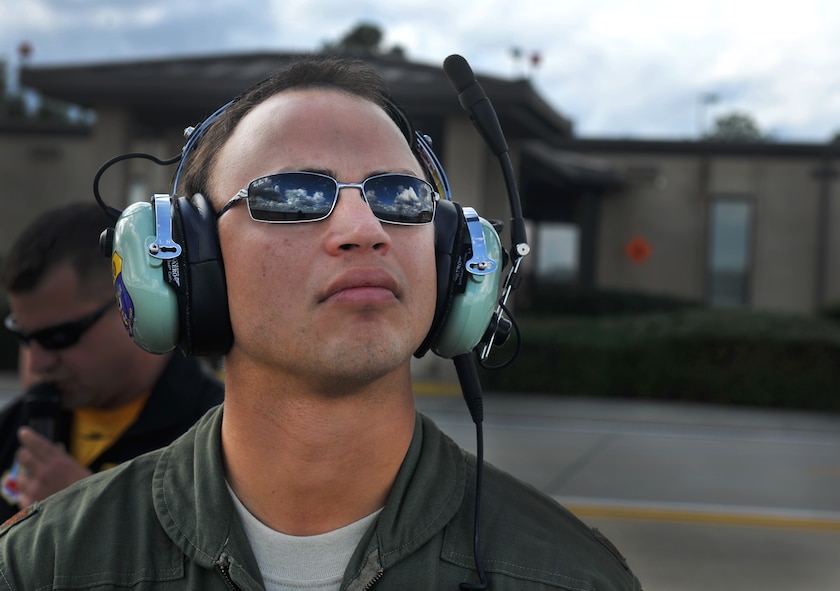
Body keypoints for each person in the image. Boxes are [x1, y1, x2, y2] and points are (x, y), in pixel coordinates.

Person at [0, 56, 642, 590]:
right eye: (292, 196)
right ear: (186, 266)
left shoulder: (570, 578)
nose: (364, 231)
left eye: (403, 197)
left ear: (454, 261)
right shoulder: (44, 566)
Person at [0, 202, 224, 523]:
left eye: (60, 337)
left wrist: (93, 515)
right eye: (23, 337)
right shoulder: (15, 428)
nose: (37, 362)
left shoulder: (218, 439)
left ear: (129, 298)